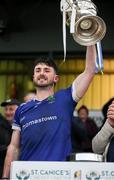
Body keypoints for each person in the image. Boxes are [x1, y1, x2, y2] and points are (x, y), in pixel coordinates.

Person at [2, 45, 97, 179]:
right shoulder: (22, 109)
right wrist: (5, 177)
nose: (41, 73)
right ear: (33, 76)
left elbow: (90, 70)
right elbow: (14, 147)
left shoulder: (65, 98)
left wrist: (90, 41)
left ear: (56, 78)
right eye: (38, 70)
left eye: (47, 70)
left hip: (59, 174)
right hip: (27, 175)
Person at [0, 99, 20, 179]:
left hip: (21, 169)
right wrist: (7, 149)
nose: (8, 112)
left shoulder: (25, 126)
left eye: (11, 109)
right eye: (6, 109)